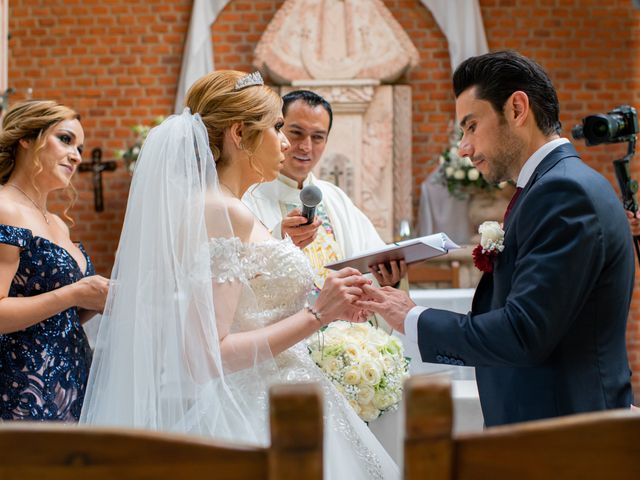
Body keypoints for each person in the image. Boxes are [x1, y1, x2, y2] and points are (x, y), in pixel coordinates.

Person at [80, 71, 399, 479]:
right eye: (278, 128)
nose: (286, 143)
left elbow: (251, 299)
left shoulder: (232, 206)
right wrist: (317, 314)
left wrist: (303, 271)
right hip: (256, 410)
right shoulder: (222, 210)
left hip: (289, 396)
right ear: (238, 133)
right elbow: (207, 353)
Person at [357, 51, 635, 427]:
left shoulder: (565, 193)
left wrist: (411, 317)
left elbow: (522, 332)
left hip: (565, 434)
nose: (464, 147)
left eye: (471, 126)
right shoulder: (550, 186)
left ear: (517, 109)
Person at [0, 100, 109, 421]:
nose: (76, 155)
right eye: (65, 139)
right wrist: (74, 293)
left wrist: (96, 301)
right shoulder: (5, 208)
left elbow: (57, 317)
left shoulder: (58, 223)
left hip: (74, 378)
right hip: (25, 387)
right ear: (26, 139)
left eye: (80, 147)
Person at [242, 90, 406, 299]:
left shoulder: (334, 198)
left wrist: (388, 279)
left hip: (349, 326)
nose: (306, 147)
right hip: (290, 328)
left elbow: (372, 262)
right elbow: (238, 280)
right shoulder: (250, 196)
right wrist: (278, 238)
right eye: (296, 133)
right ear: (278, 132)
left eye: (317, 137)